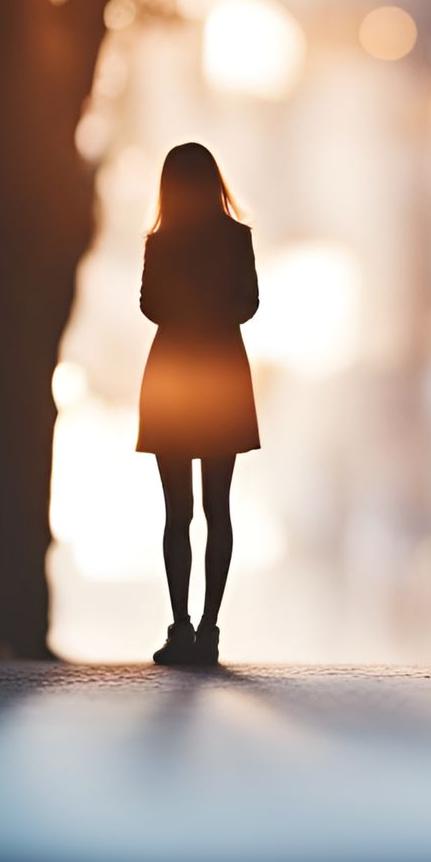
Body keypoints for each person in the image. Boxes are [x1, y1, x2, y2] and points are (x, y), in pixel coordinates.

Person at [136, 142, 260, 667]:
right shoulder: (237, 238)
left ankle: (181, 625)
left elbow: (149, 305)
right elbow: (249, 304)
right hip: (223, 379)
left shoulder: (160, 242)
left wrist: (183, 312)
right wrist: (213, 314)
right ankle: (210, 627)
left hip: (171, 379)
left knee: (177, 513)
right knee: (218, 509)